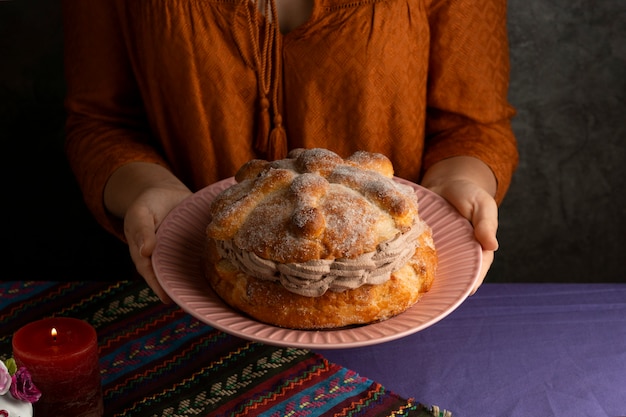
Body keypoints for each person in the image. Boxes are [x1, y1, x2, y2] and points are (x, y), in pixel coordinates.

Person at [62, 0, 518, 303]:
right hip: (187, 286)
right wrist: (151, 188)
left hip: (397, 302)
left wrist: (458, 183)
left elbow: (471, 126)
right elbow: (101, 122)